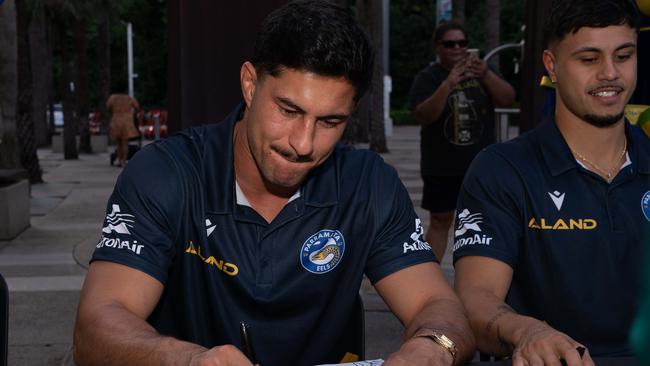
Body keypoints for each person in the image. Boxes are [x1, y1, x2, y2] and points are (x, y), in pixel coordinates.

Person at [73, 1, 475, 365]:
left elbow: (436, 303)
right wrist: (187, 360)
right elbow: (97, 324)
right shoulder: (165, 174)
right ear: (250, 84)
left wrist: (432, 348)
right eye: (288, 110)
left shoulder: (368, 183)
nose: (302, 144)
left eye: (330, 122)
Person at [453, 0, 650, 364]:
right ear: (552, 66)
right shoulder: (503, 170)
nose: (610, 73)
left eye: (624, 55)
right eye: (589, 59)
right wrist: (527, 331)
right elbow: (475, 298)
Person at [408, 22, 515, 261]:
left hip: (481, 165)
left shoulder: (483, 72)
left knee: (482, 222)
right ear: (438, 47)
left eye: (462, 43)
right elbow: (424, 115)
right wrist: (448, 84)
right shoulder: (428, 77)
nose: (457, 48)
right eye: (449, 44)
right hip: (441, 165)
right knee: (440, 221)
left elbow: (507, 99)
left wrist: (486, 75)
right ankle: (428, 278)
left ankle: (480, 277)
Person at [107, 92, 140, 167]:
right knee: (125, 142)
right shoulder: (129, 98)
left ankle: (119, 160)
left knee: (118, 142)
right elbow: (137, 106)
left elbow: (108, 107)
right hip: (127, 121)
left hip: (116, 120)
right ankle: (124, 161)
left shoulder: (113, 97)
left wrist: (114, 111)